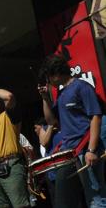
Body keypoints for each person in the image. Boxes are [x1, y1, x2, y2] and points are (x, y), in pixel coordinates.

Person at [39, 54, 106, 207]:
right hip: (70, 153)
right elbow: (51, 121)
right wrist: (44, 97)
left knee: (96, 195)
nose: (48, 81)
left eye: (48, 77)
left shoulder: (82, 87)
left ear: (56, 73)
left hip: (85, 149)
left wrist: (91, 149)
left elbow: (96, 116)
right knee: (70, 198)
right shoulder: (62, 94)